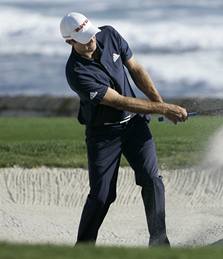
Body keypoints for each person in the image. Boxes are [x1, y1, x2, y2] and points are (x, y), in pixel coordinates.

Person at [60, 12, 187, 246]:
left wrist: (159, 103)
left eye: (92, 35)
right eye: (85, 39)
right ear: (70, 42)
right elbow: (118, 101)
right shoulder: (76, 72)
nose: (92, 41)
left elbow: (136, 69)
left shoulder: (108, 34)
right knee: (102, 196)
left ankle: (159, 244)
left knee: (152, 179)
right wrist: (163, 109)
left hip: (135, 124)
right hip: (103, 134)